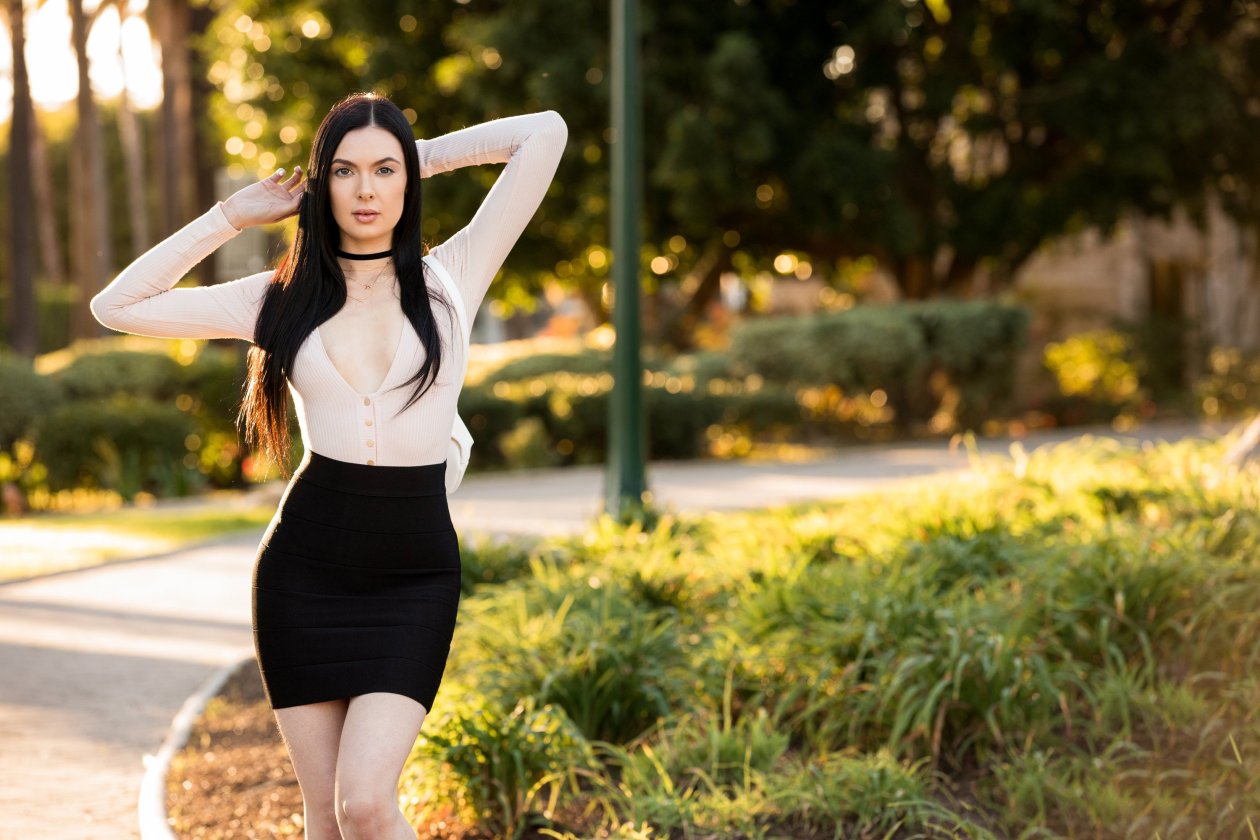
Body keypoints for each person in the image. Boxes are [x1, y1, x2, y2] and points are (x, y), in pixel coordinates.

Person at [90, 92, 568, 839]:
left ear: (407, 179)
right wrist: (231, 218)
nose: (367, 189)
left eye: (385, 170)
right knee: (324, 819)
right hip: (304, 572)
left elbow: (544, 130)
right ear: (322, 185)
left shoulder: (453, 278)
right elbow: (117, 305)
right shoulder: (281, 299)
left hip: (413, 575)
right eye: (345, 171)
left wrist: (417, 152)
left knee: (368, 806)